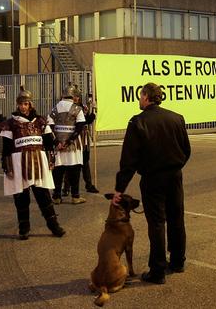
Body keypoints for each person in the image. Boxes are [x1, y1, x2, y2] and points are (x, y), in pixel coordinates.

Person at [113, 82, 191, 285]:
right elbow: (186, 150)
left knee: (156, 223)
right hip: (175, 176)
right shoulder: (176, 118)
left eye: (140, 96)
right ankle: (178, 261)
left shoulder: (137, 122)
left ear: (146, 96)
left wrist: (119, 189)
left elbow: (128, 160)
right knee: (176, 218)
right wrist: (176, 166)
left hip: (153, 179)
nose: (139, 99)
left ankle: (157, 270)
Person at [0, 88, 66, 240]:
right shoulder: (10, 123)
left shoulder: (41, 121)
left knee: (43, 196)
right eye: (20, 104)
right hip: (19, 163)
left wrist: (51, 159)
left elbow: (49, 142)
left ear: (30, 104)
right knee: (21, 198)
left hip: (38, 161)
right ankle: (24, 228)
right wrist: (7, 166)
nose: (23, 107)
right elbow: (6, 147)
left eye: (25, 104)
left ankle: (54, 226)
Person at [48, 85, 86, 205]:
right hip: (73, 145)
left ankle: (56, 196)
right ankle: (75, 196)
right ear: (73, 96)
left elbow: (49, 126)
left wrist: (57, 142)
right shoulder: (77, 109)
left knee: (58, 170)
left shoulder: (55, 108)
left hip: (58, 145)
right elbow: (80, 126)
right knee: (74, 169)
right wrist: (69, 141)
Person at [81, 93, 99, 194]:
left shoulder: (83, 108)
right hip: (75, 140)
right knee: (72, 165)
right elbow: (83, 121)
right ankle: (66, 188)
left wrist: (93, 112)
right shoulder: (71, 109)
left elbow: (87, 120)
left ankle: (89, 184)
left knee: (85, 162)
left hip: (84, 140)